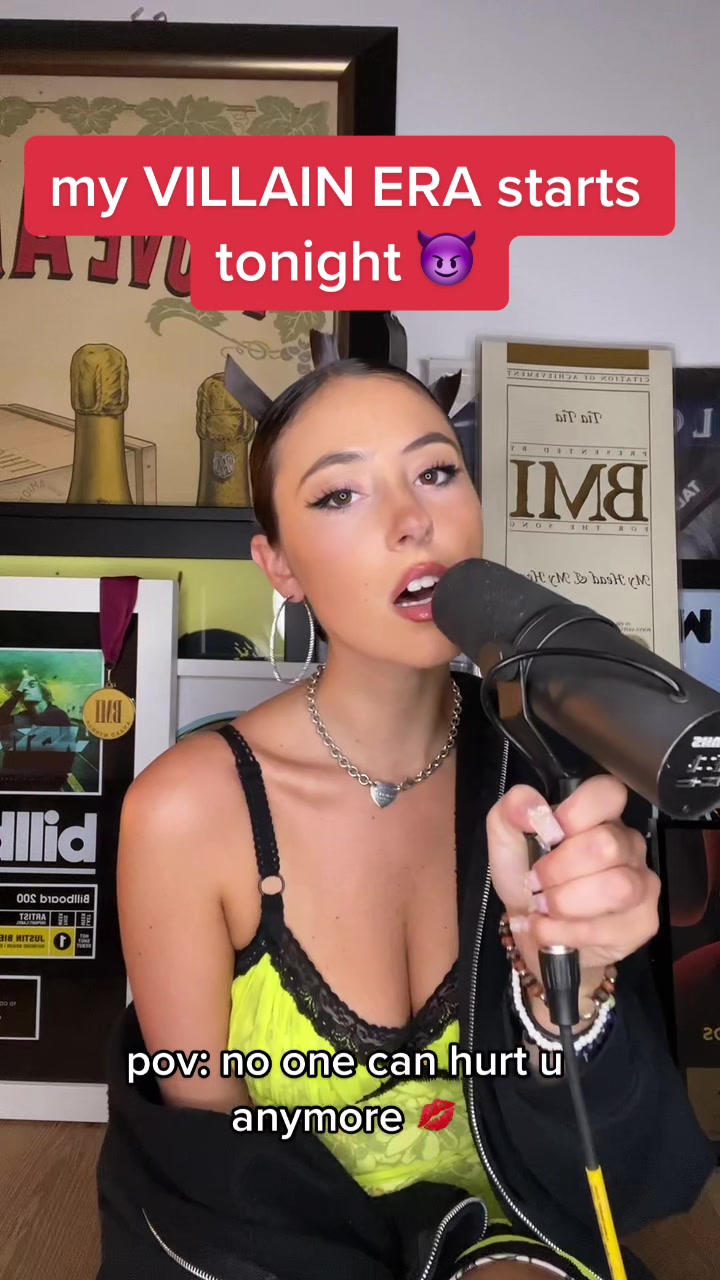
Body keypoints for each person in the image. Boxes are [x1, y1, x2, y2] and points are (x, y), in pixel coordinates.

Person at [96, 360, 716, 1280]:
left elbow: (624, 1173)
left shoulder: (553, 777)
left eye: (435, 472)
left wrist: (569, 994)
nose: (411, 521)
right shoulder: (186, 812)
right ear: (279, 565)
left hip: (525, 1234)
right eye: (340, 493)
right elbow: (210, 1166)